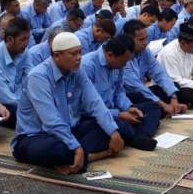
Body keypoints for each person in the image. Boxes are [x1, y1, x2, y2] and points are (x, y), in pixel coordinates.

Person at [11, 32, 125, 173]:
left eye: (80, 53)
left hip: (69, 130)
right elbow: (51, 121)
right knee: (56, 150)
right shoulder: (38, 77)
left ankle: (78, 157)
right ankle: (88, 155)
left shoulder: (77, 71)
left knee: (117, 127)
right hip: (37, 136)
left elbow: (95, 103)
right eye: (73, 54)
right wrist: (75, 147)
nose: (79, 58)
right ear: (57, 56)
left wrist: (113, 133)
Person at [82, 35, 162, 151]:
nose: (124, 66)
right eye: (122, 62)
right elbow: (86, 108)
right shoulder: (88, 66)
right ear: (110, 55)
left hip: (115, 109)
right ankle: (135, 135)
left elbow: (119, 91)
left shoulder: (119, 64)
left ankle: (138, 136)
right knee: (120, 125)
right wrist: (118, 114)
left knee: (153, 107)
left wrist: (128, 107)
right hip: (97, 115)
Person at [121, 20, 185, 117]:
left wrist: (173, 97)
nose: (145, 43)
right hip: (128, 96)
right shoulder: (123, 55)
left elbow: (159, 73)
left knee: (174, 87)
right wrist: (163, 105)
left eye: (146, 38)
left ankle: (168, 107)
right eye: (141, 40)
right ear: (129, 40)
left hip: (142, 91)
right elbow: (137, 87)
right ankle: (163, 109)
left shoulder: (144, 51)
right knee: (150, 105)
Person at [157, 20, 193, 107]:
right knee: (186, 92)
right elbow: (175, 81)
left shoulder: (192, 49)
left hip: (188, 81)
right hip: (172, 87)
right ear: (183, 43)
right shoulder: (169, 53)